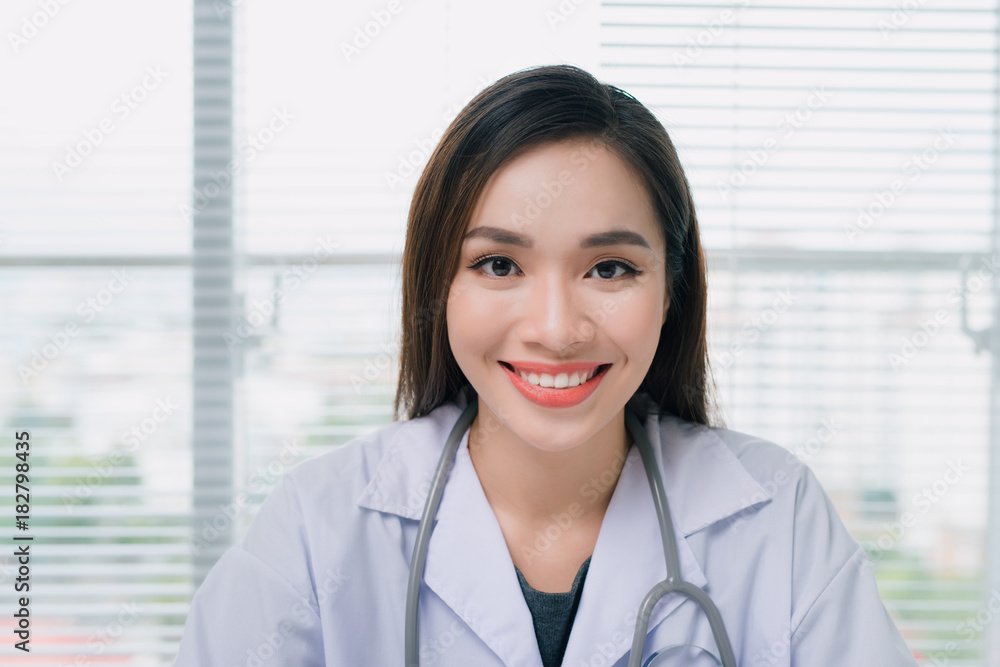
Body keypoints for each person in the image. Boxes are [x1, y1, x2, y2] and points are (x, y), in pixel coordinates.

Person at [172, 64, 919, 666]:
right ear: (439, 285)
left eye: (611, 268)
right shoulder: (320, 525)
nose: (557, 329)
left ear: (671, 290)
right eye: (499, 263)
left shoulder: (774, 516)